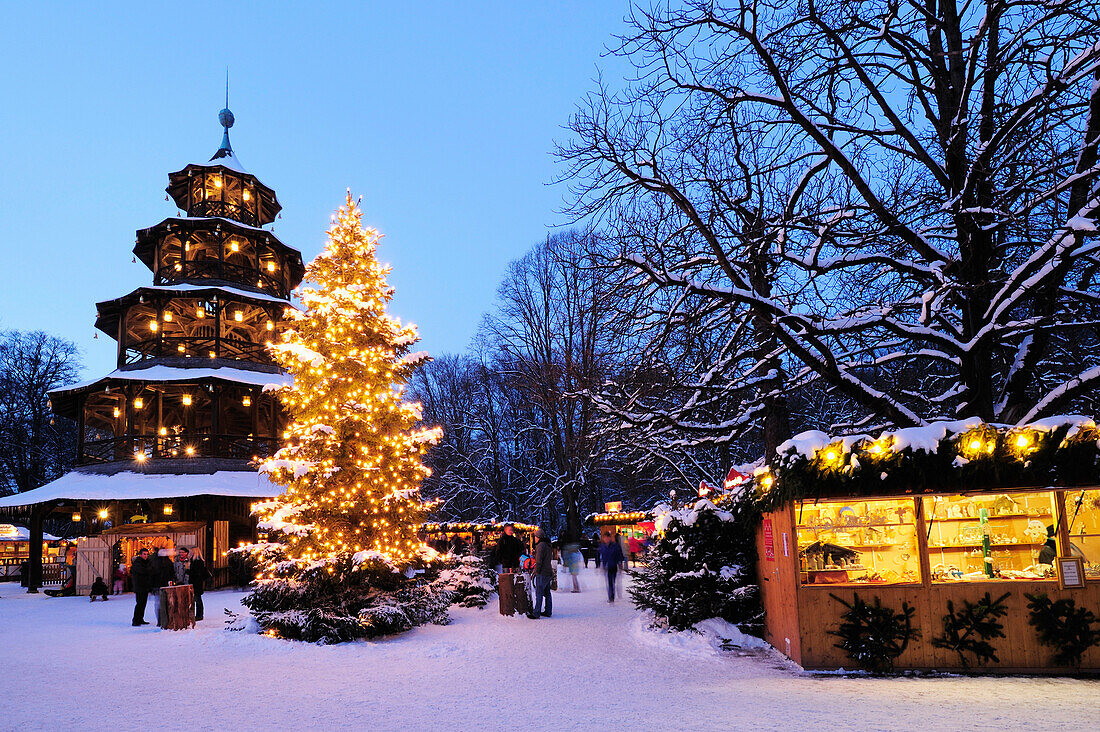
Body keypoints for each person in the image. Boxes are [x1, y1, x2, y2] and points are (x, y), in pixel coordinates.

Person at [180, 547, 210, 621]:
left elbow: (197, 573)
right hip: (196, 582)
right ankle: (198, 614)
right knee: (196, 599)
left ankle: (199, 615)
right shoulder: (195, 561)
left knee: (197, 599)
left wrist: (189, 572)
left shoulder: (197, 561)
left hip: (196, 583)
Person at [530, 529, 554, 619]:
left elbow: (539, 560)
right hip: (548, 571)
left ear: (538, 537)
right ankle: (548, 611)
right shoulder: (548, 545)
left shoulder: (540, 546)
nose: (534, 539)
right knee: (547, 593)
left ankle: (536, 613)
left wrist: (536, 571)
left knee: (539, 593)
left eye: (535, 537)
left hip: (542, 572)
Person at [597, 531, 626, 603]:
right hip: (607, 566)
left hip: (613, 565)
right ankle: (611, 597)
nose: (606, 539)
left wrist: (620, 564)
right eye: (605, 538)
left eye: (607, 538)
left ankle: (613, 594)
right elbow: (598, 555)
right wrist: (598, 564)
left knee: (613, 580)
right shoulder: (602, 546)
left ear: (610, 538)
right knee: (610, 581)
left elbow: (619, 555)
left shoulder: (615, 546)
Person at [130, 547, 155, 626]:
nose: (146, 556)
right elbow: (143, 571)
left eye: (147, 554)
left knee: (143, 604)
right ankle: (136, 620)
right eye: (144, 554)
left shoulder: (148, 562)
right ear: (140, 555)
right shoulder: (137, 563)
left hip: (145, 586)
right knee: (139, 603)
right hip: (139, 586)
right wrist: (148, 570)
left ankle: (140, 619)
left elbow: (151, 570)